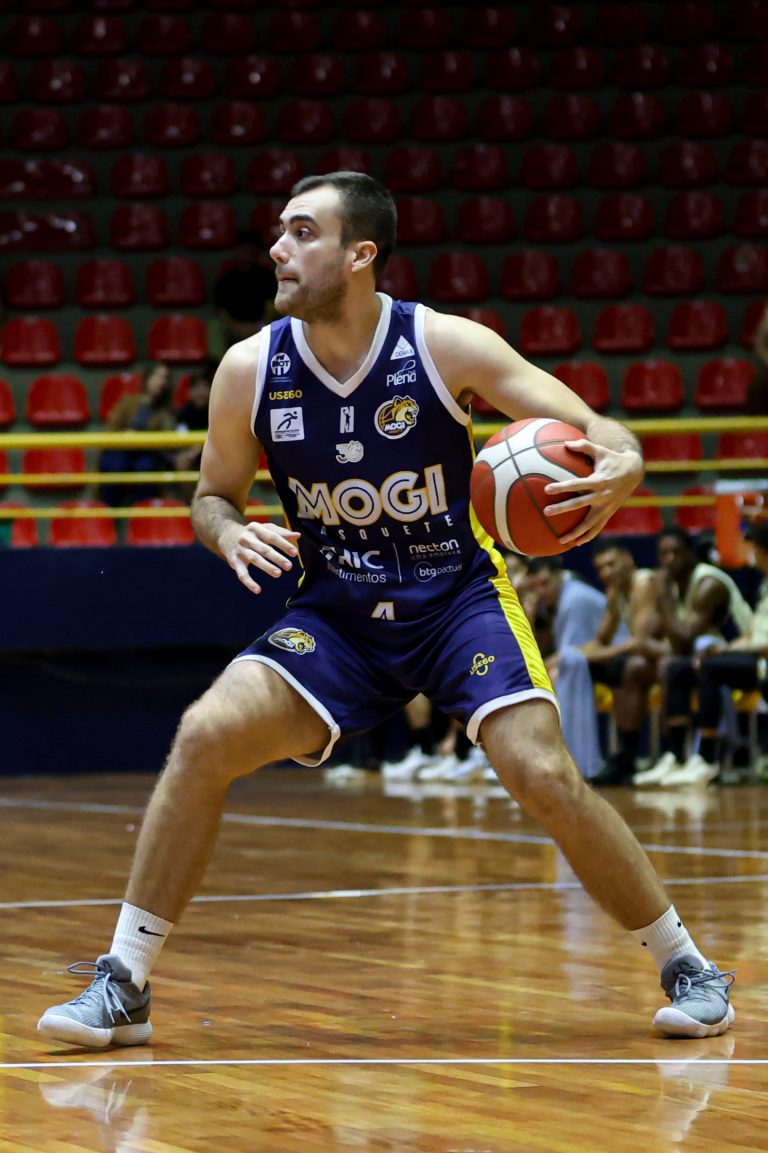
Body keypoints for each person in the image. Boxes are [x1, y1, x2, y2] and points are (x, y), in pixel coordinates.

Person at [37, 172, 735, 1048]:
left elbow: (601, 431)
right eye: (279, 231)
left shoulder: (444, 345)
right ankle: (124, 982)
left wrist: (625, 461)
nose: (278, 248)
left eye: (303, 232)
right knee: (205, 734)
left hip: (455, 598)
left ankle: (688, 966)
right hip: (336, 613)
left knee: (543, 773)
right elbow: (211, 495)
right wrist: (229, 531)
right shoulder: (249, 369)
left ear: (360, 253)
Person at [644, 520, 768, 784]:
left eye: (676, 552)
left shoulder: (708, 582)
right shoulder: (764, 586)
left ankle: (707, 758)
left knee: (708, 665)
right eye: (664, 554)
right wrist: (724, 649)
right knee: (678, 668)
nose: (669, 560)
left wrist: (663, 595)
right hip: (742, 652)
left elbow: (683, 641)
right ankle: (676, 756)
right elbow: (752, 635)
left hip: (758, 661)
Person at [586, 540, 669, 786]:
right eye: (600, 568)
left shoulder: (643, 582)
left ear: (628, 560)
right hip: (649, 656)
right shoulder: (615, 592)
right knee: (614, 667)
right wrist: (571, 655)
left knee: (630, 667)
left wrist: (593, 654)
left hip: (673, 652)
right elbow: (600, 640)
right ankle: (616, 754)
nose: (606, 572)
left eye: (611, 564)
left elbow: (639, 641)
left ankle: (627, 753)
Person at [526, 556, 608, 779]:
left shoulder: (574, 598)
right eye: (534, 587)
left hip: (613, 661)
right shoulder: (551, 603)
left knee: (550, 676)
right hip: (591, 663)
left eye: (544, 583)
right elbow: (540, 649)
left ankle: (565, 756)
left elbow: (569, 655)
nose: (540, 592)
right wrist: (530, 618)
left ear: (559, 576)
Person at [99, 362, 176, 507]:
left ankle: (145, 514)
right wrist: (125, 436)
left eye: (164, 378)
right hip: (121, 448)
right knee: (115, 466)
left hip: (147, 452)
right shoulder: (128, 401)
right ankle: (111, 512)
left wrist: (143, 439)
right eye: (157, 376)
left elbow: (167, 439)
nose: (160, 382)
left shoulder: (165, 412)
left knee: (146, 468)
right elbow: (111, 428)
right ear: (147, 378)